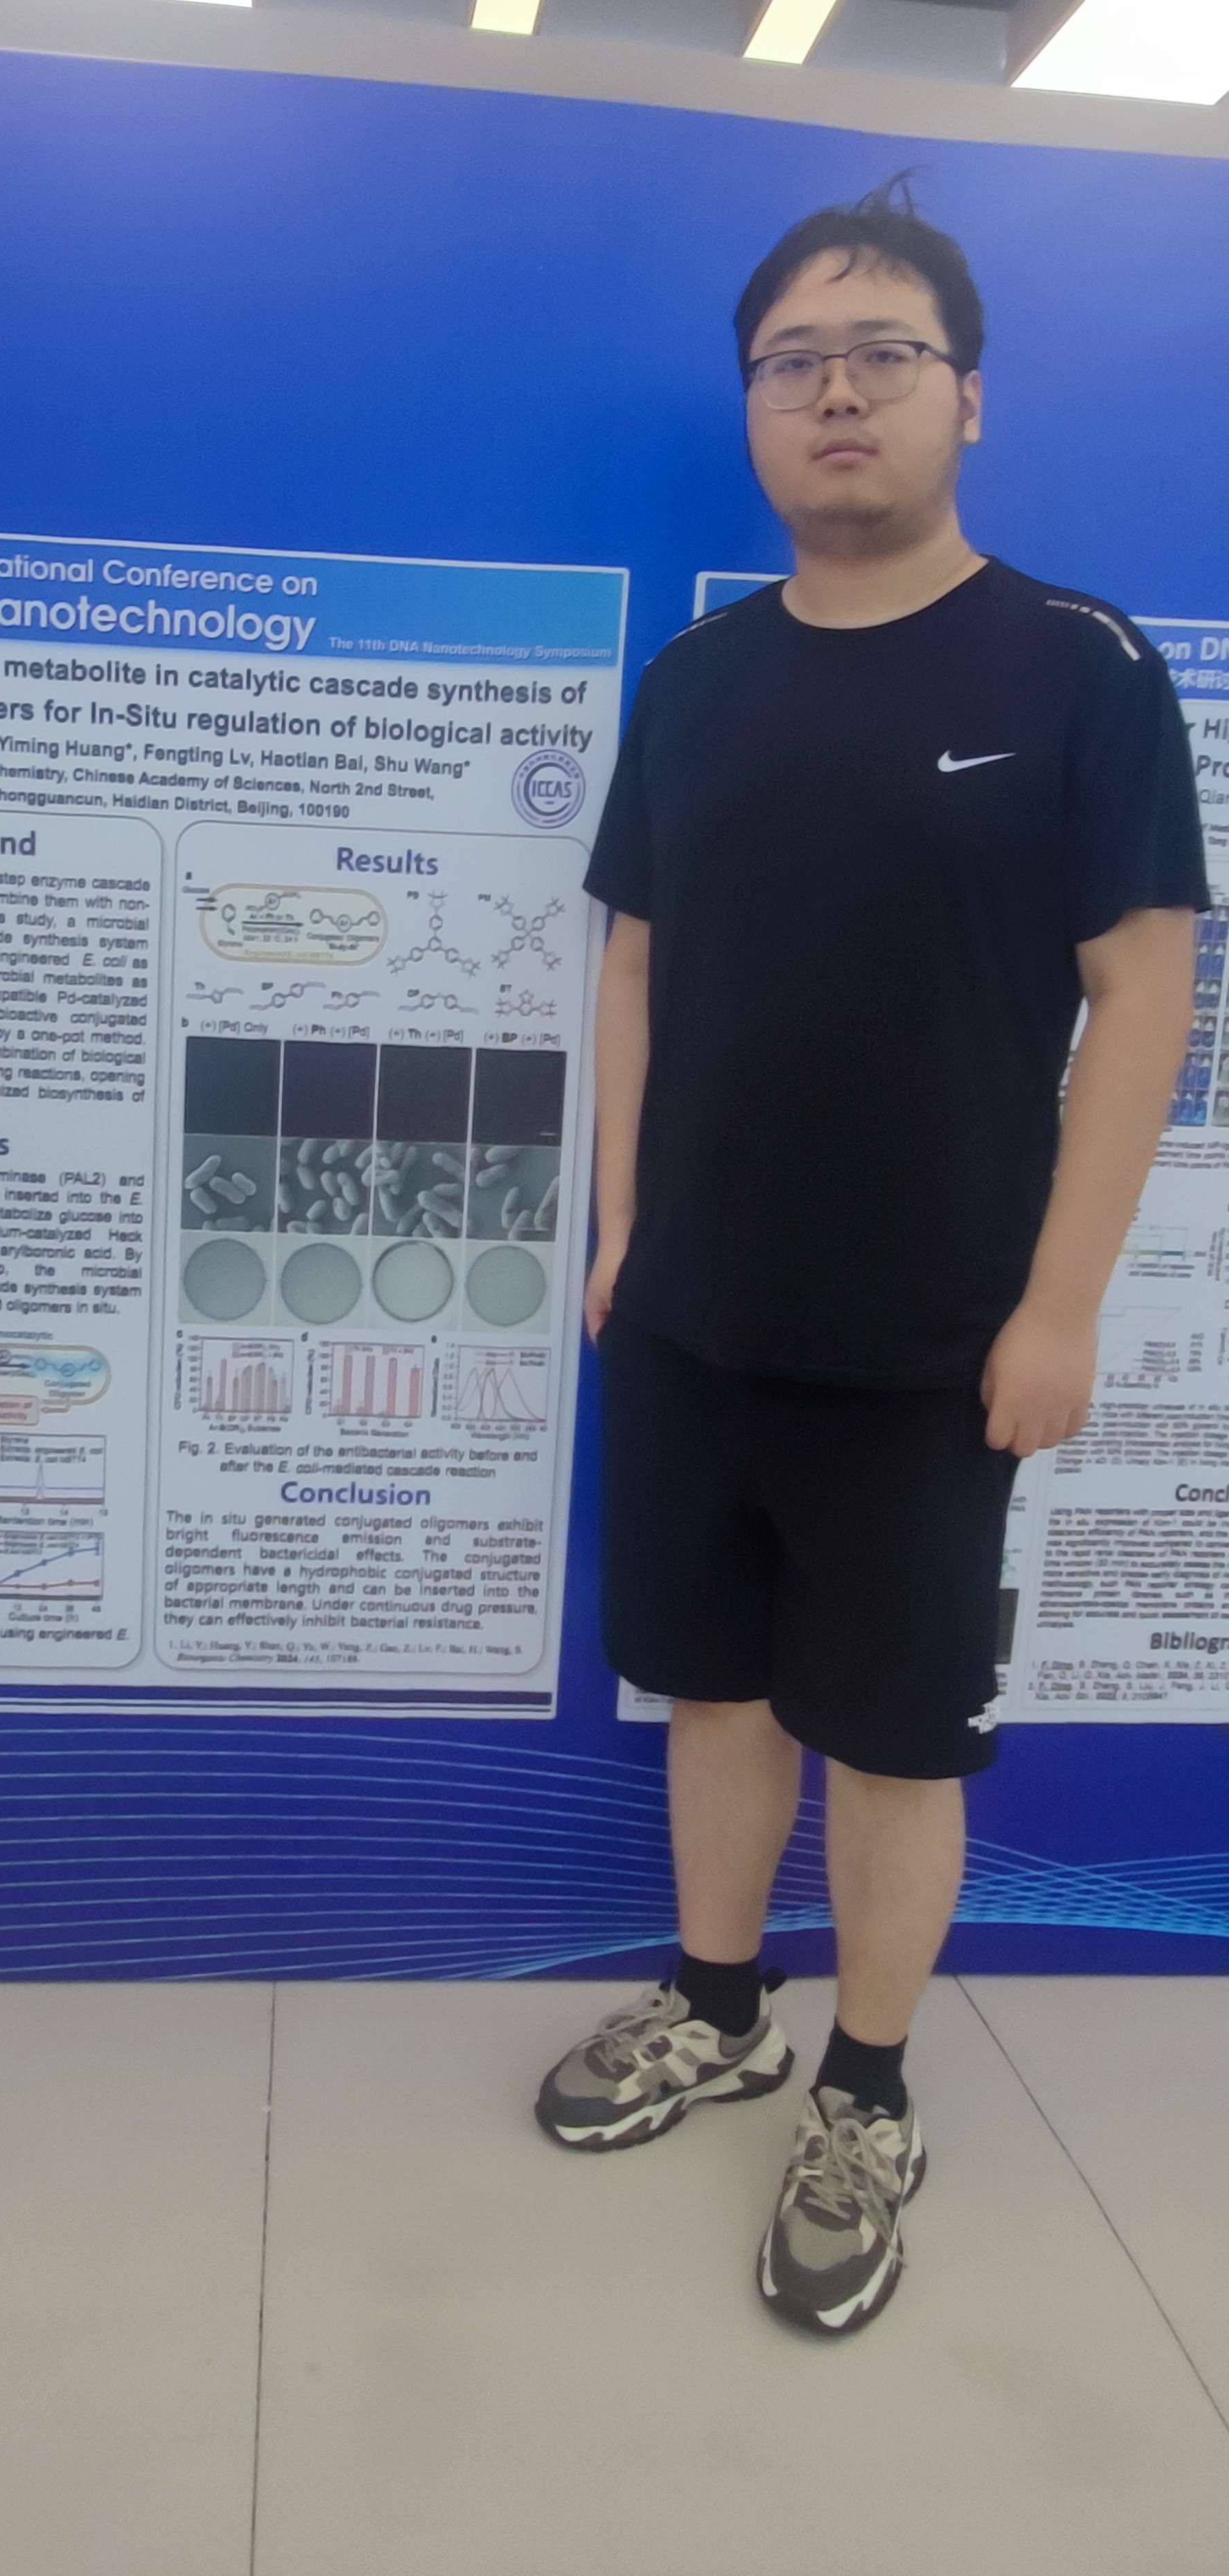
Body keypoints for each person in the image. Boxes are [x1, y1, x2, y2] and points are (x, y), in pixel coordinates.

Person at [536, 177, 1211, 2337]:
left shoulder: (1079, 666)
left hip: (936, 1338)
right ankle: (720, 2004)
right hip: (695, 1316)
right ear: (755, 405)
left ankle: (871, 2089)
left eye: (884, 355)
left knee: (901, 1743)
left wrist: (1061, 1307)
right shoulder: (698, 679)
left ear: (966, 398)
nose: (838, 393)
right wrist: (624, 1229)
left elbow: (1149, 991)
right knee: (714, 1690)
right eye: (794, 363)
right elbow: (636, 959)